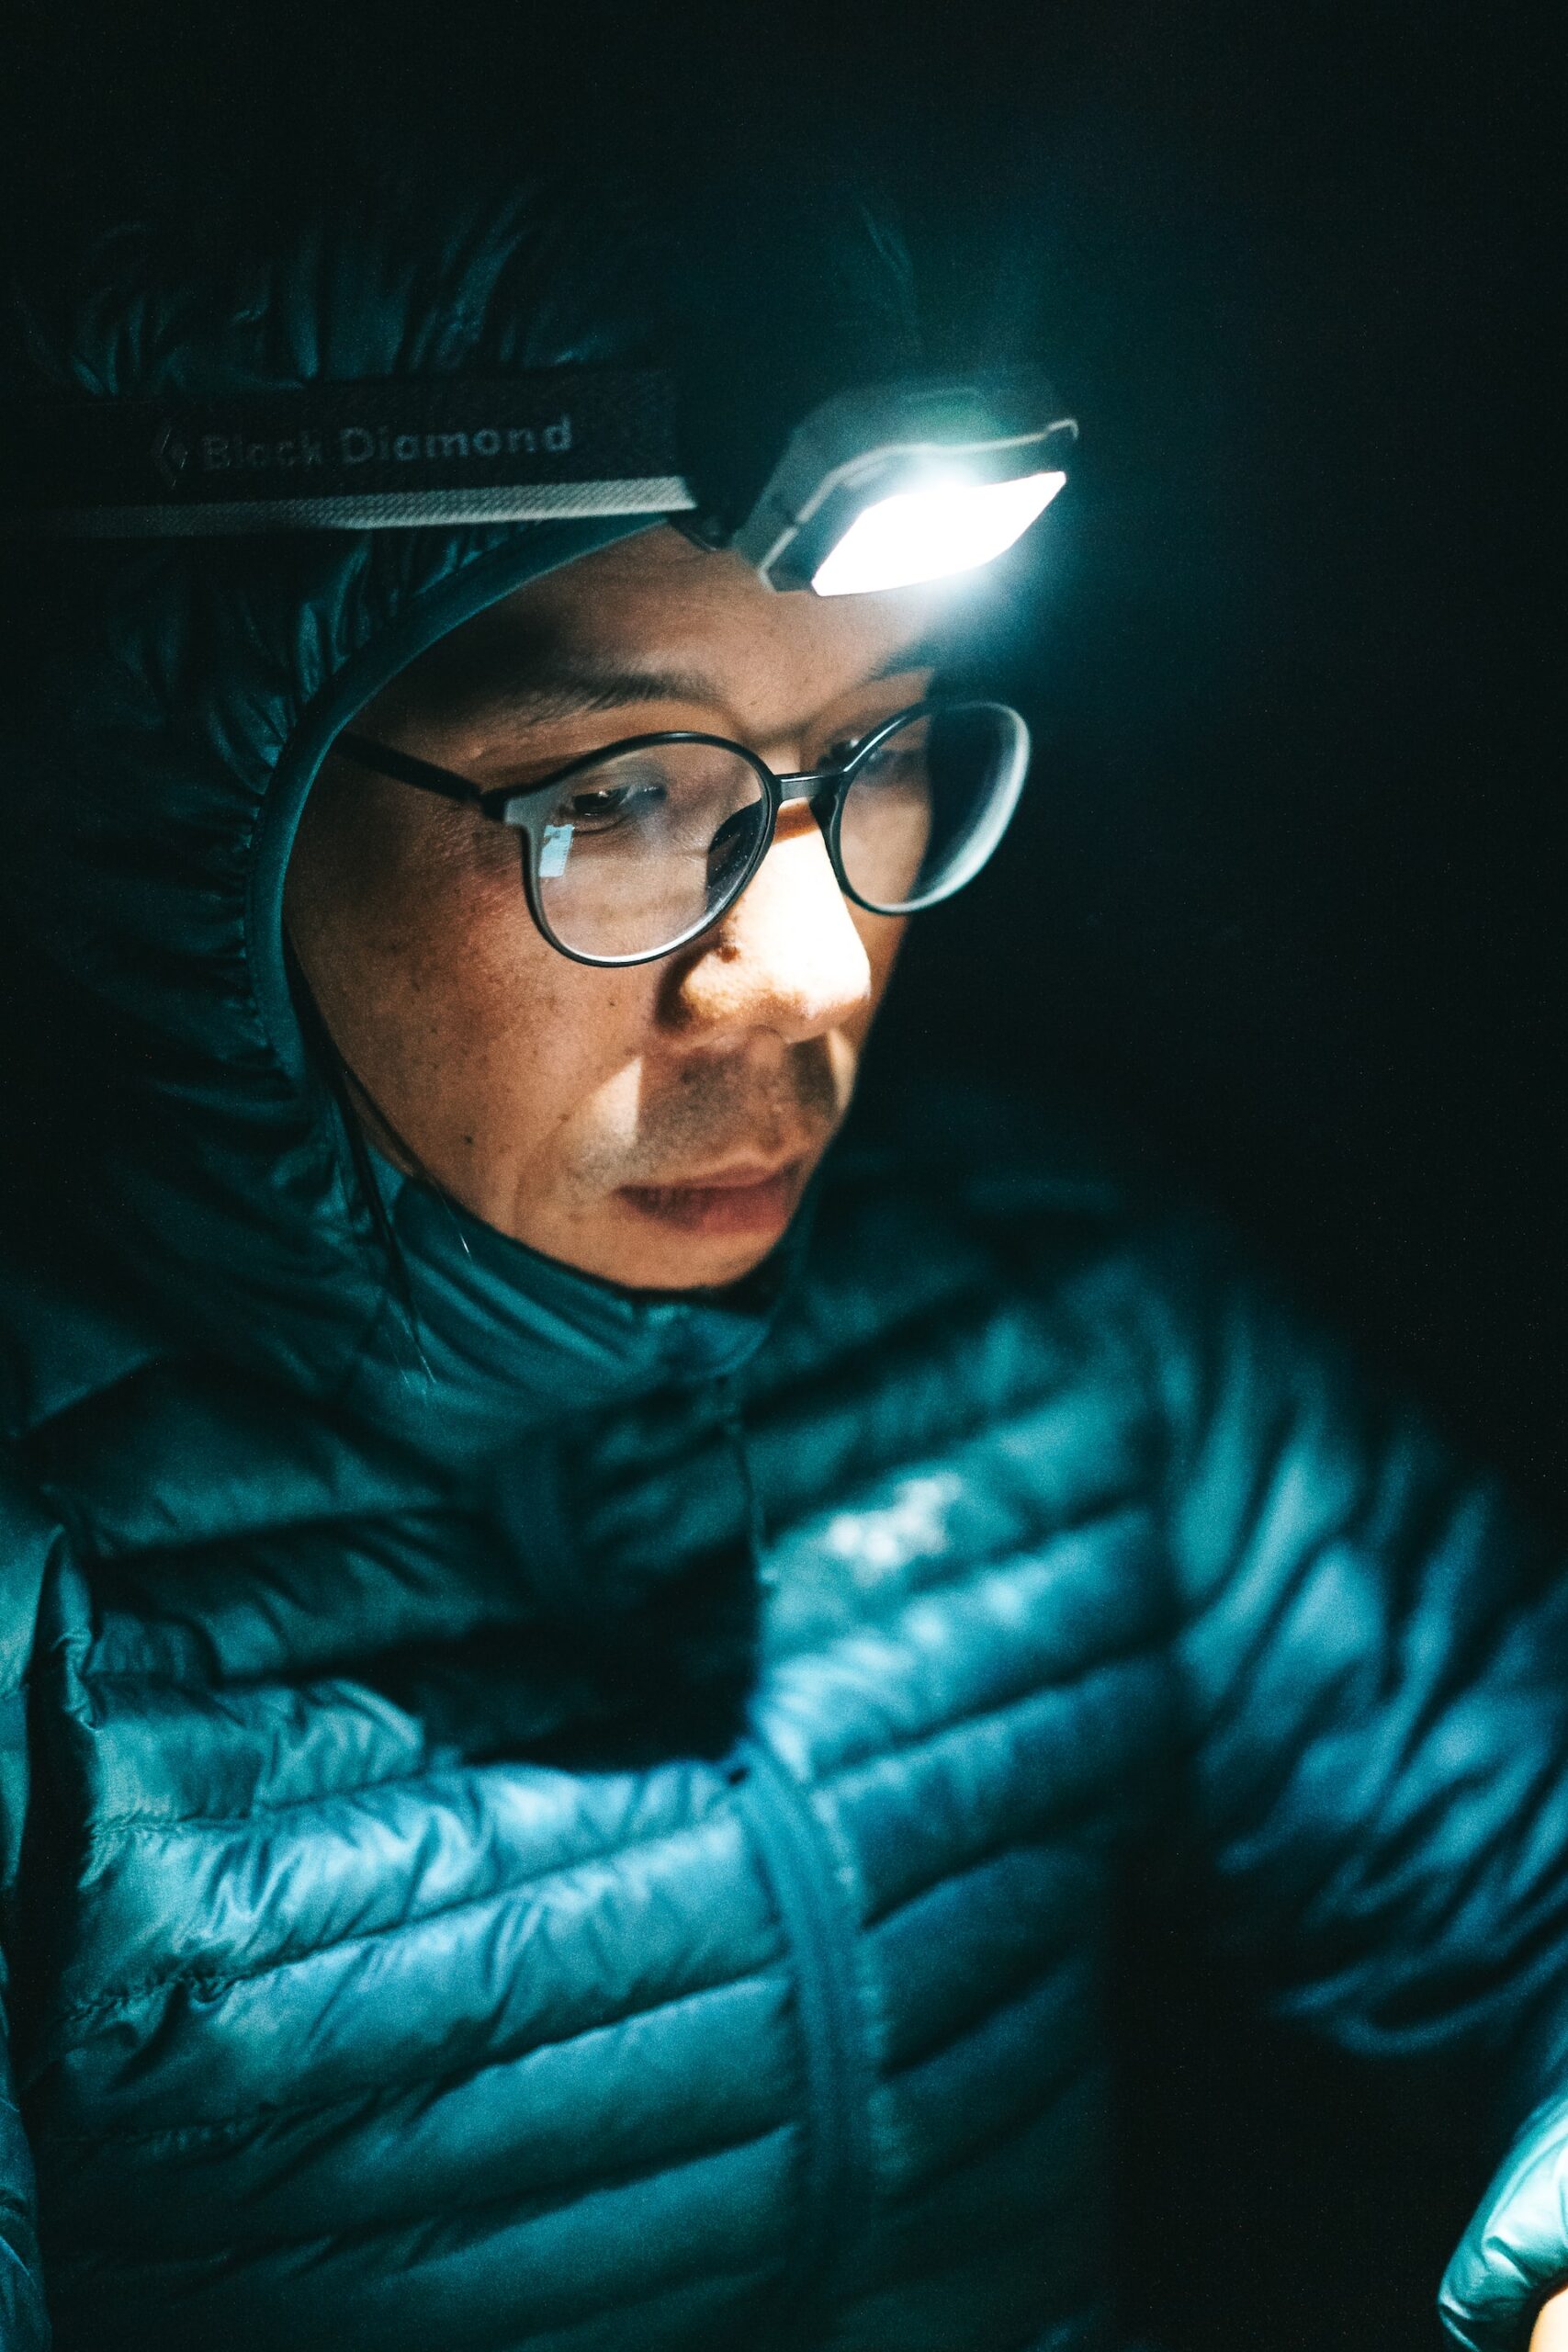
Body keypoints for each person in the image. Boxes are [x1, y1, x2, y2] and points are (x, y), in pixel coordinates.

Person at [0, 125, 1564, 2352]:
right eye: (620, 796)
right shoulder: (34, 1610)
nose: (811, 972)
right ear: (202, 807)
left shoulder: (1065, 1326)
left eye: (884, 754)